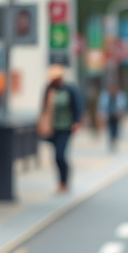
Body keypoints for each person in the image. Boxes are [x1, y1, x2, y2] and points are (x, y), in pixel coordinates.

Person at [38, 64, 85, 193]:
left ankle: (64, 180)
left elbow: (78, 105)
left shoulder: (69, 89)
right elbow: (44, 108)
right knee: (55, 156)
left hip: (66, 127)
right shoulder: (49, 90)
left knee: (60, 155)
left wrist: (76, 122)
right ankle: (60, 181)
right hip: (52, 128)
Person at [97, 80, 128, 152]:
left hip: (117, 115)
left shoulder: (120, 95)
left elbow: (124, 105)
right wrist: (102, 114)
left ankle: (115, 139)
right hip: (109, 115)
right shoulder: (105, 95)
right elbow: (102, 105)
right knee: (110, 129)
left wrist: (121, 113)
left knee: (116, 129)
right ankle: (111, 141)